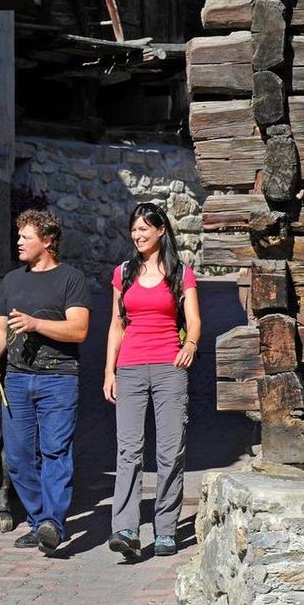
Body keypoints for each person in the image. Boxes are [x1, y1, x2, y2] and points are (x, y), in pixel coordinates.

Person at [0, 210, 91, 556]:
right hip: (15, 380)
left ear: (47, 240)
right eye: (19, 236)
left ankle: (53, 524)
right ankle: (39, 521)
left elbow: (79, 329)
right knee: (16, 458)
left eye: (25, 237)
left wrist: (36, 324)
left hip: (59, 379)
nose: (18, 242)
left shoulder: (71, 279)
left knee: (55, 451)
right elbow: (0, 328)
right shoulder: (12, 280)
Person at [103, 202, 201, 558]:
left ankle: (166, 531)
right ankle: (125, 529)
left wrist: (190, 344)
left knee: (170, 451)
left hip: (168, 368)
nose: (137, 235)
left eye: (144, 228)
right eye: (134, 229)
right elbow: (116, 325)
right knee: (128, 451)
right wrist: (109, 371)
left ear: (161, 230)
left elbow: (194, 320)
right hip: (129, 368)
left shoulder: (181, 272)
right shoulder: (123, 273)